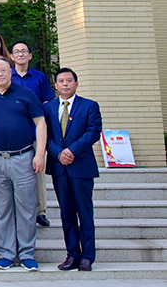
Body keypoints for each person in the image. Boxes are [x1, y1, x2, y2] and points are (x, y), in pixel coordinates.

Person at [0, 58, 46, 271]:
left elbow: (40, 122)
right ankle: (6, 253)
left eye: (3, 70)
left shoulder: (26, 94)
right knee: (2, 209)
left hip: (23, 157)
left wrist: (40, 154)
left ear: (10, 71)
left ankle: (26, 254)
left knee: (26, 208)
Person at [45, 68, 102, 272]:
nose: (65, 84)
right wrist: (58, 152)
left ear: (76, 83)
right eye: (61, 81)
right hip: (59, 168)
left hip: (81, 167)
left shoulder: (89, 106)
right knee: (67, 213)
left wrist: (71, 151)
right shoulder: (48, 108)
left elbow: (93, 132)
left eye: (69, 80)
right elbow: (44, 135)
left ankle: (87, 256)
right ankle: (72, 254)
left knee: (84, 212)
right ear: (56, 85)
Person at [10, 41, 55, 227]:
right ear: (11, 56)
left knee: (37, 172)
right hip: (14, 131)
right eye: (16, 52)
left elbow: (48, 102)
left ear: (30, 55)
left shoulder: (39, 77)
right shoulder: (7, 76)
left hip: (35, 130)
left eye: (24, 51)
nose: (20, 54)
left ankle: (40, 211)